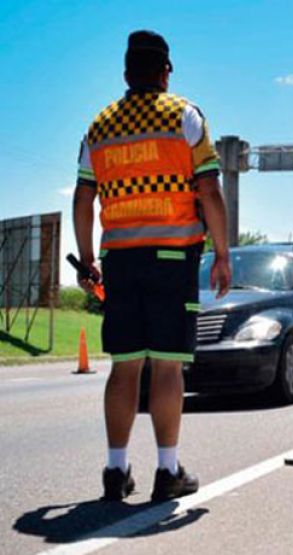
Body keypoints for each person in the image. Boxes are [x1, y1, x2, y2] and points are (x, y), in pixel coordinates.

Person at [73, 30, 231, 501]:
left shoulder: (98, 127)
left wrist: (86, 261)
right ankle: (168, 471)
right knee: (166, 368)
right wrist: (222, 254)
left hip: (119, 262)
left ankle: (115, 472)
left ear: (126, 74)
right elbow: (209, 190)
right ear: (166, 72)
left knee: (124, 368)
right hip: (171, 258)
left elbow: (84, 198)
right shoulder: (184, 116)